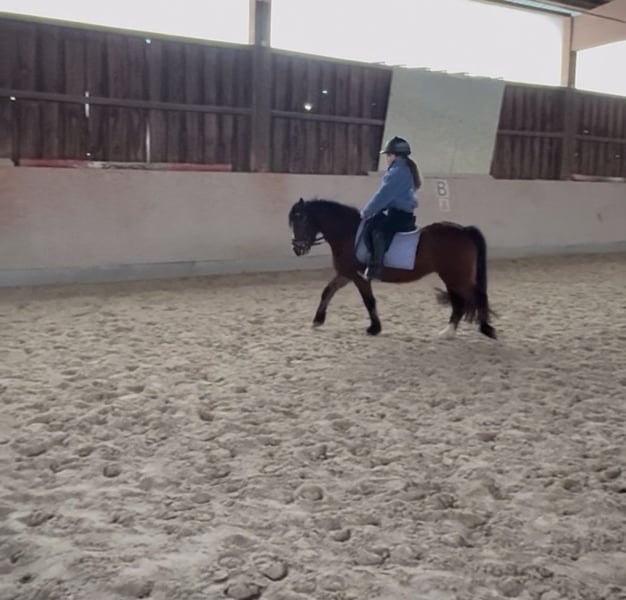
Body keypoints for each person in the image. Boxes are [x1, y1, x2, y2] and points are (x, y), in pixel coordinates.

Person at [360, 136, 421, 281]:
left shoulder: (398, 172)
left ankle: (376, 268)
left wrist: (366, 212)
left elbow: (383, 195)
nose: (387, 158)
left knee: (378, 231)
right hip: (399, 212)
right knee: (375, 223)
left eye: (388, 155)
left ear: (395, 155)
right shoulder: (404, 168)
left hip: (399, 214)